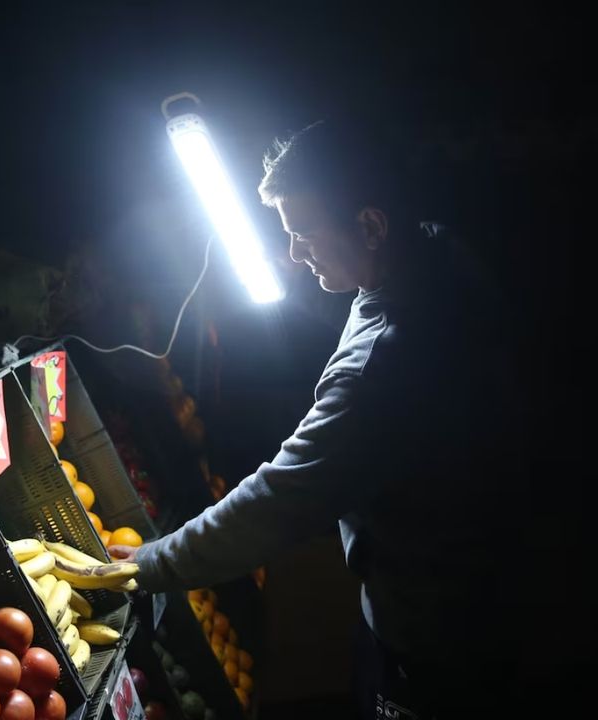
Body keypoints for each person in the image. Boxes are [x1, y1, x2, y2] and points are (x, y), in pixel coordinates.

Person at [110, 120, 529, 719]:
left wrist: (155, 562)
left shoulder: (381, 367)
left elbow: (280, 498)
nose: (291, 254)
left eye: (303, 235)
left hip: (433, 634)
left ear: (371, 226)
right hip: (475, 589)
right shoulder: (437, 251)